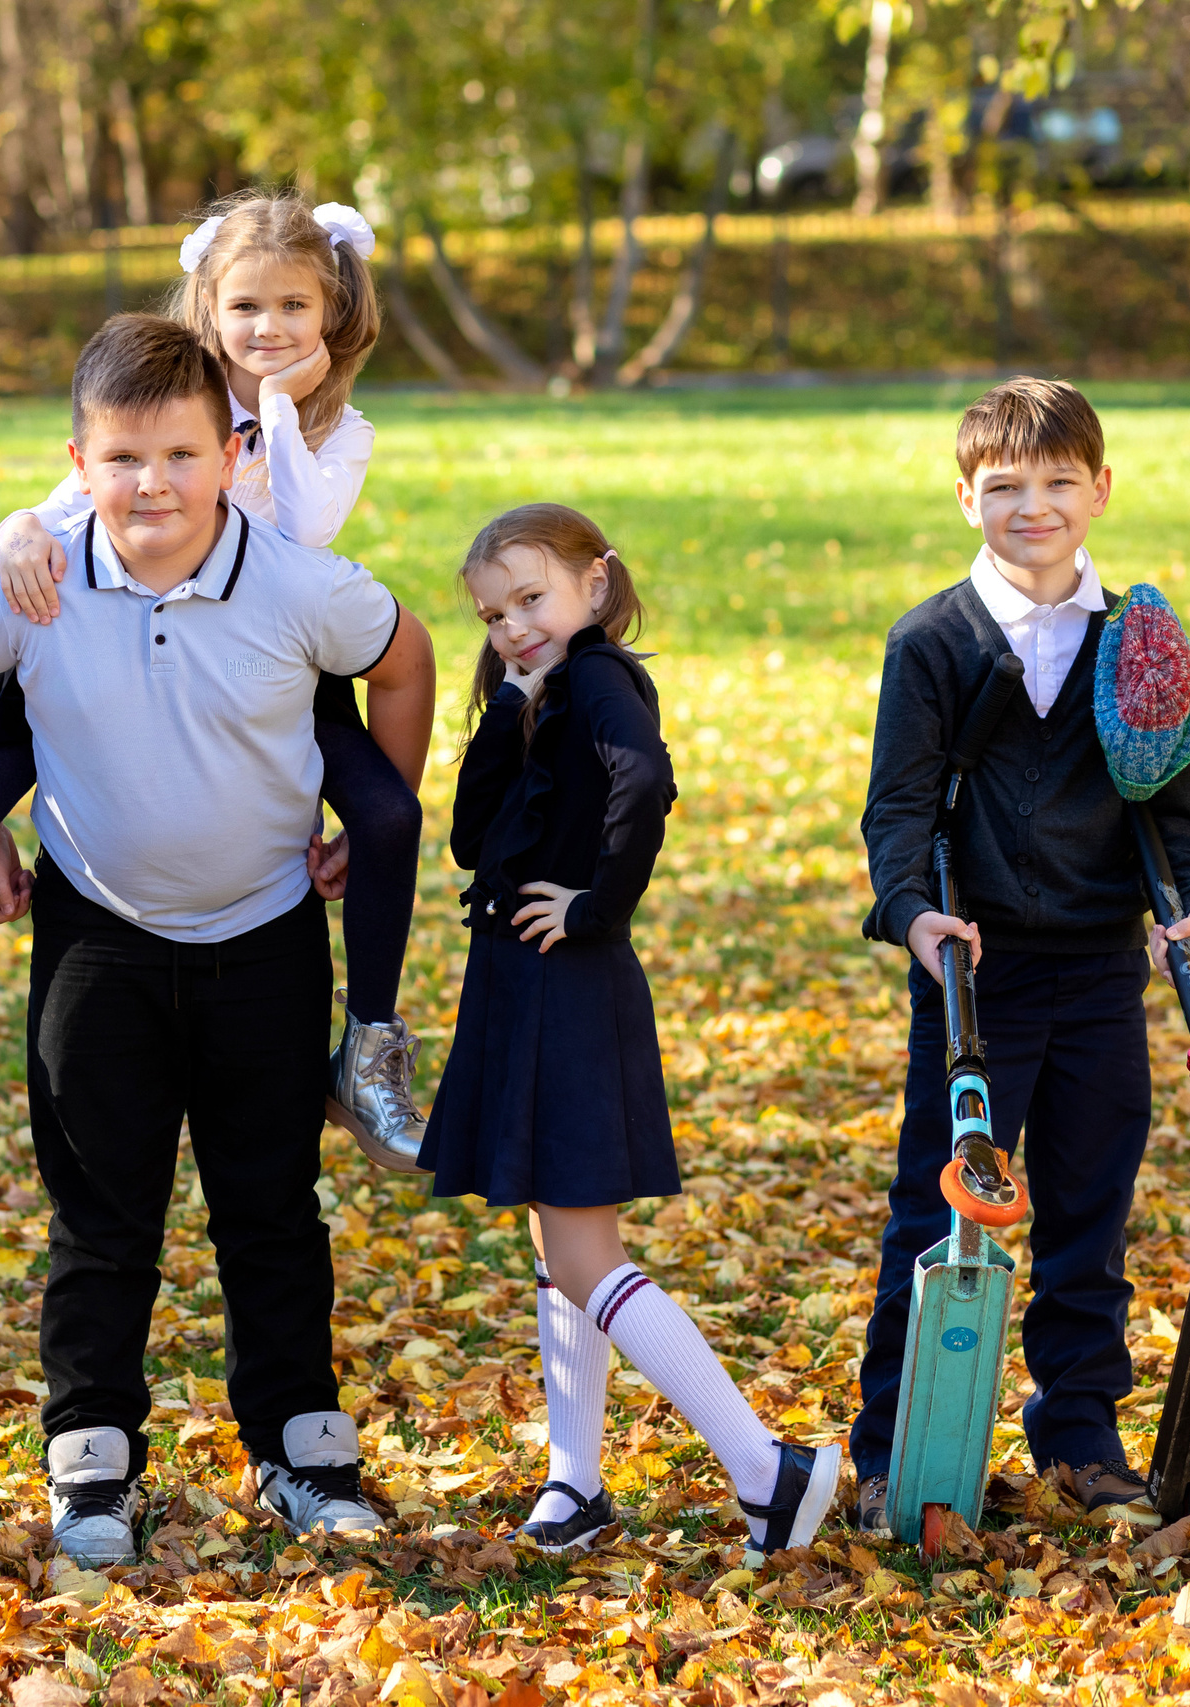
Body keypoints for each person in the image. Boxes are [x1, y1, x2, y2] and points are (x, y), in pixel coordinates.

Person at [0, 313, 437, 1565]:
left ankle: (301, 1448)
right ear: (77, 464)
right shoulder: (34, 582)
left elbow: (405, 662)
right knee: (100, 1213)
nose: (154, 484)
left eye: (182, 456)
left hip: (265, 934)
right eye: (124, 459)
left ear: (231, 454)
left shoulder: (297, 583)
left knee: (272, 1205)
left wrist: (376, 810)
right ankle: (91, 1461)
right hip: (99, 939)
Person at [0, 191, 434, 1173]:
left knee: (392, 815)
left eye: (294, 306)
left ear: (330, 311)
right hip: (89, 633)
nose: (268, 328)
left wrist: (282, 405)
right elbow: (60, 500)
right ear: (209, 308)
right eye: (245, 306)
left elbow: (305, 532)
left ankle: (368, 1054)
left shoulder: (337, 428)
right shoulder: (155, 402)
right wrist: (14, 534)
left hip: (268, 653)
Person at [421, 503, 842, 1557]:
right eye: (493, 615)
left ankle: (766, 1468)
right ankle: (576, 1482)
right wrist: (507, 703)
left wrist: (597, 907)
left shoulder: (602, 678)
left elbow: (644, 782)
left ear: (595, 584)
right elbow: (471, 839)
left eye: (532, 599)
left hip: (567, 986)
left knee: (582, 1250)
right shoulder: (540, 691)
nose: (513, 626)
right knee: (555, 1241)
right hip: (520, 984)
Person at [849, 377, 1190, 1528]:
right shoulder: (932, 642)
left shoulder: (1138, 643)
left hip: (1103, 971)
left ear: (1098, 489)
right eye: (1006, 485)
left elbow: (1180, 809)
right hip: (976, 974)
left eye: (1059, 482)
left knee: (1088, 1210)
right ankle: (895, 1447)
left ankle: (1080, 1435)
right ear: (967, 497)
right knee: (939, 1210)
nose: (1034, 506)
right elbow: (898, 808)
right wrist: (912, 914)